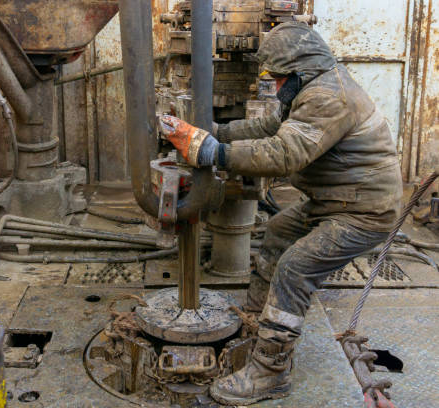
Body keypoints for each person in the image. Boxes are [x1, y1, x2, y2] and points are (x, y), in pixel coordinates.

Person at [159, 22, 402, 406]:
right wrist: (214, 132)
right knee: (279, 227)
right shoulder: (313, 86)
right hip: (335, 202)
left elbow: (283, 153)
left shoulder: (330, 96)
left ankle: (269, 373)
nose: (272, 82)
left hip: (363, 213)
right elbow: (270, 126)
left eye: (277, 75)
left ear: (299, 67)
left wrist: (212, 152)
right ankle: (257, 321)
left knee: (295, 268)